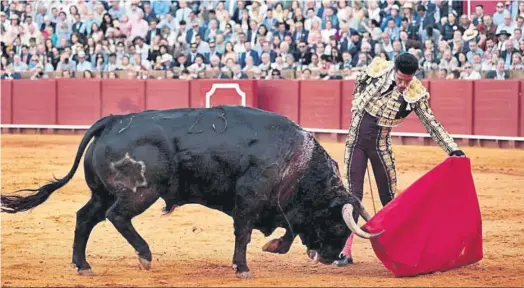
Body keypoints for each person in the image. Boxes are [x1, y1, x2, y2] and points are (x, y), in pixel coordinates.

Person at [334, 53, 466, 266]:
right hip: (355, 142)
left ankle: (399, 247)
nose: (404, 85)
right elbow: (358, 87)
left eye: (408, 80)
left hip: (381, 146)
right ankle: (345, 250)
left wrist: (452, 148)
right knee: (352, 196)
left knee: (388, 199)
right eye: (400, 79)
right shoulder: (376, 71)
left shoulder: (415, 93)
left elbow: (431, 122)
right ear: (394, 70)